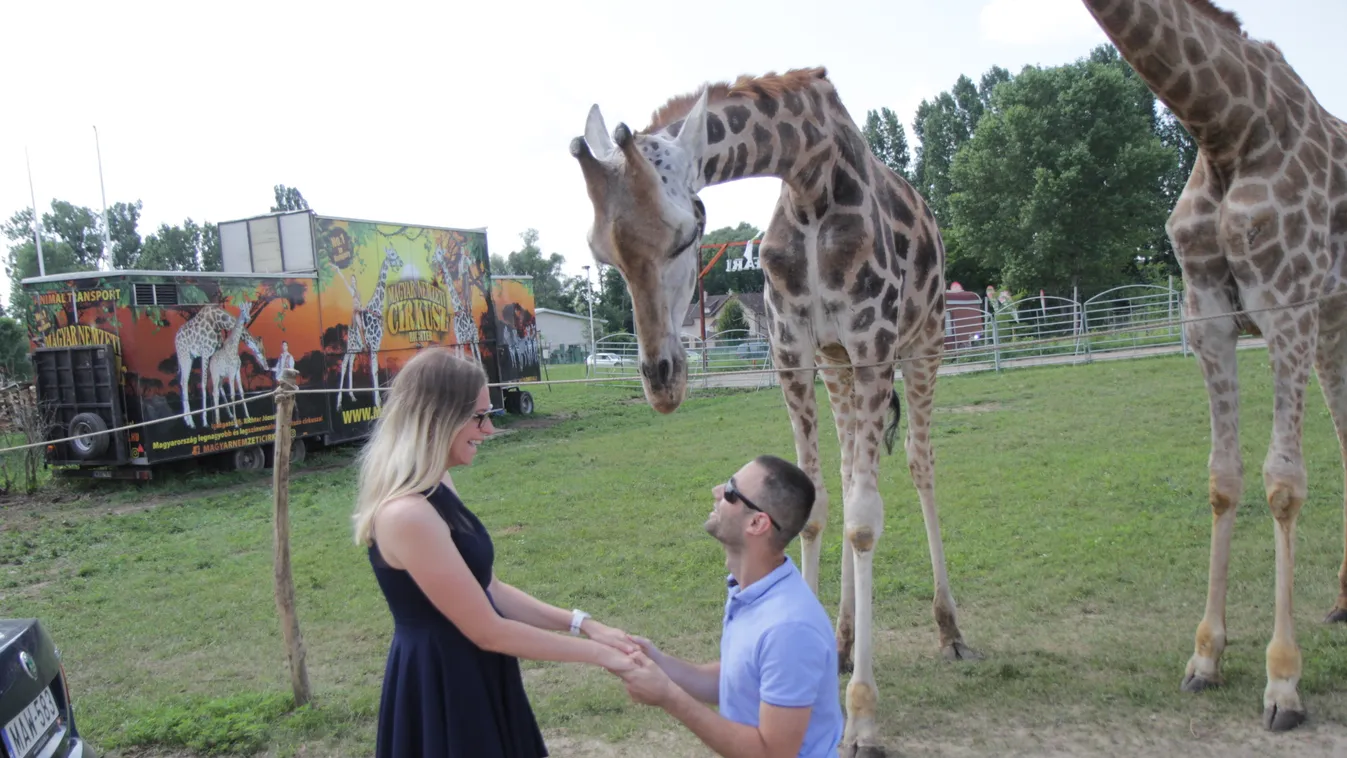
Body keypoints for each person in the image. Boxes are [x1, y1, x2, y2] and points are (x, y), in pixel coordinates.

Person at [351, 347, 638, 758]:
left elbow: (491, 589)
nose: (488, 430)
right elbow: (489, 630)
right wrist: (602, 655)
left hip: (476, 671)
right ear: (437, 418)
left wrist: (584, 624)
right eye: (479, 416)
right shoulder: (407, 515)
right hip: (443, 686)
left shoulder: (439, 483)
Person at [617, 455, 845, 758]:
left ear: (757, 522)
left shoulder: (789, 629)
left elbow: (772, 754)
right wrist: (659, 663)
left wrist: (669, 697)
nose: (715, 491)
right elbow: (740, 682)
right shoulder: (753, 591)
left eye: (729, 491)